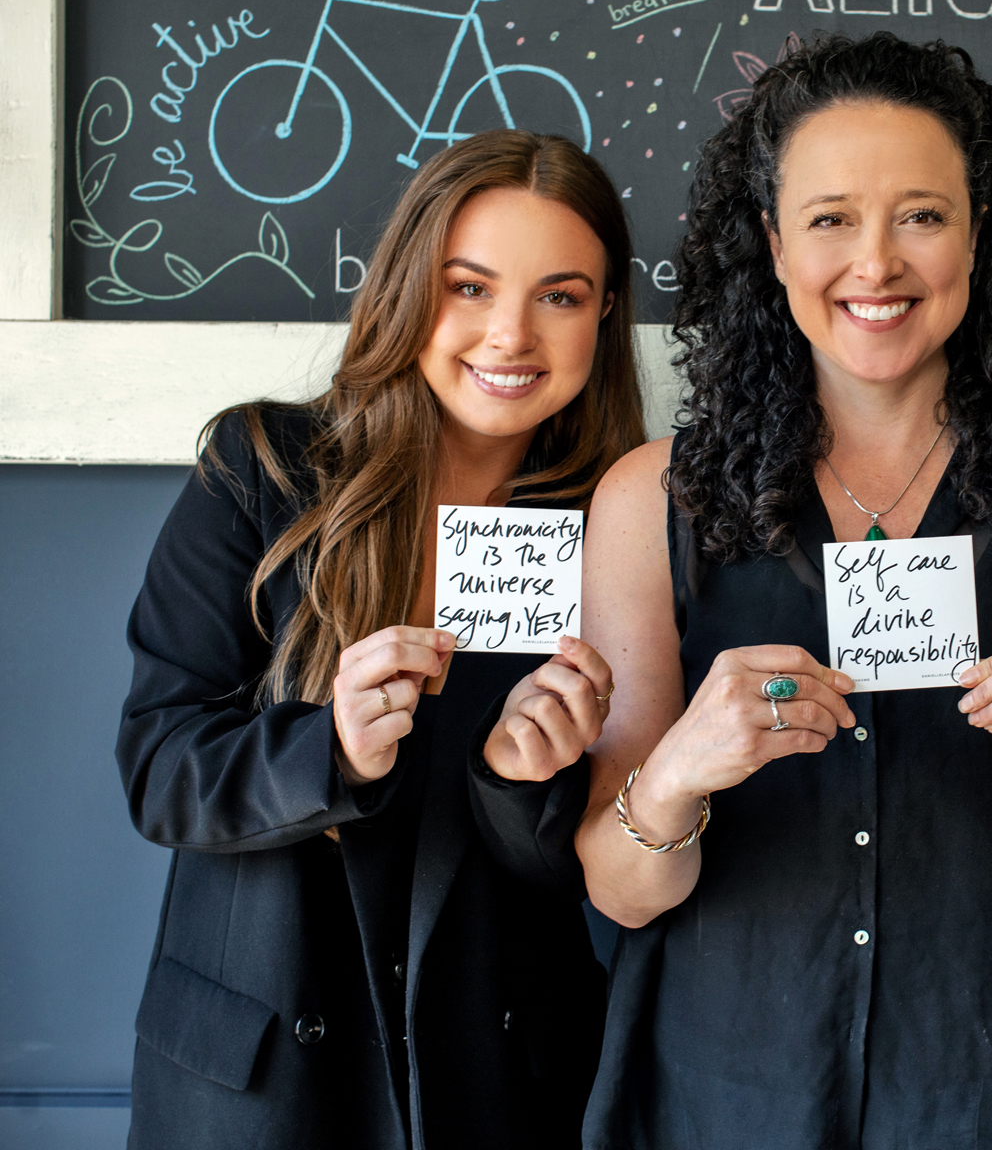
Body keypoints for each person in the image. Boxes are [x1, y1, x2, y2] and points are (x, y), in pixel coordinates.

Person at [483, 31, 992, 1149]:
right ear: (772, 243)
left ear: (981, 238)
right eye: (832, 218)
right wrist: (678, 774)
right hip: (715, 1098)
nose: (878, 262)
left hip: (977, 1098)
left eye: (924, 215)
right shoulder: (651, 500)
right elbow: (621, 890)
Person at [115, 130, 640, 1150]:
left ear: (606, 314)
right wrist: (331, 750)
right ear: (409, 287)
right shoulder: (263, 468)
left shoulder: (618, 528)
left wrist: (521, 781)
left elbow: (595, 868)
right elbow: (158, 769)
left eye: (560, 296)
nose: (509, 335)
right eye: (470, 287)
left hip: (494, 1074)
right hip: (261, 1078)